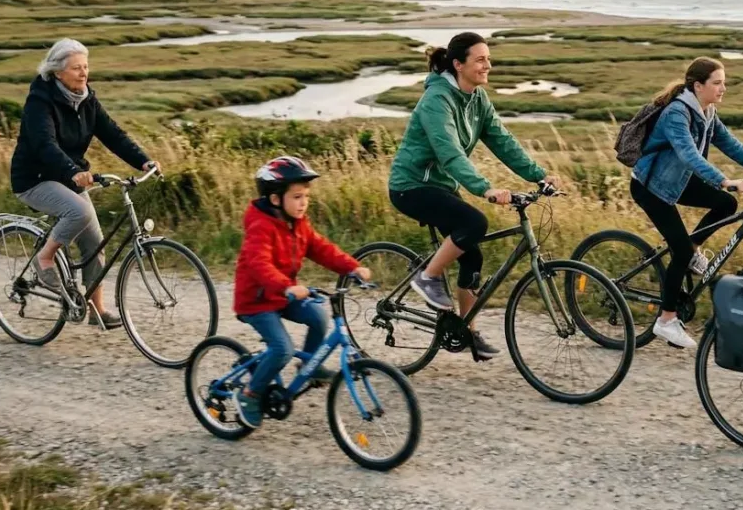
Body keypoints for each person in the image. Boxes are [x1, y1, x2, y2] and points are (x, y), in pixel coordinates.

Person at [387, 32, 561, 360]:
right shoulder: (436, 100)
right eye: (480, 60)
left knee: (472, 254)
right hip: (410, 186)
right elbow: (450, 152)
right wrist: (485, 189)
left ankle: (466, 330)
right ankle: (427, 277)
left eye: (488, 59)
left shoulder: (477, 98)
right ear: (458, 64)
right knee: (474, 222)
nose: (488, 66)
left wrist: (539, 175)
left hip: (441, 188)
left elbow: (502, 141)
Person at [629, 56, 743, 349]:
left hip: (676, 181)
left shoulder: (707, 110)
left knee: (725, 205)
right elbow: (689, 154)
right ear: (698, 85)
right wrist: (724, 180)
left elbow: (729, 144)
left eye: (724, 83)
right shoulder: (677, 113)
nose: (723, 88)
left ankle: (692, 252)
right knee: (679, 249)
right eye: (717, 83)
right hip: (651, 187)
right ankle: (666, 320)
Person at [10, 38, 159, 330]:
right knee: (79, 211)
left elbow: (112, 134)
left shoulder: (87, 99)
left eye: (86, 66)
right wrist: (72, 170)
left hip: (68, 177)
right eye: (76, 68)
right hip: (34, 179)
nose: (83, 73)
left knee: (94, 241)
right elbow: (44, 144)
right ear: (57, 72)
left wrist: (143, 161)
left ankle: (96, 310)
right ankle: (45, 259)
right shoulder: (40, 101)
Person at [232, 156, 373, 429]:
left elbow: (321, 248)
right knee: (282, 349)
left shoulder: (298, 224)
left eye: (306, 196)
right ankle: (251, 394)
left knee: (319, 317)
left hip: (283, 295)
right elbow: (259, 264)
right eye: (297, 196)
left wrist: (352, 267)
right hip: (257, 301)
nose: (303, 202)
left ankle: (310, 367)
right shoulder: (260, 227)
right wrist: (286, 286)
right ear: (275, 199)